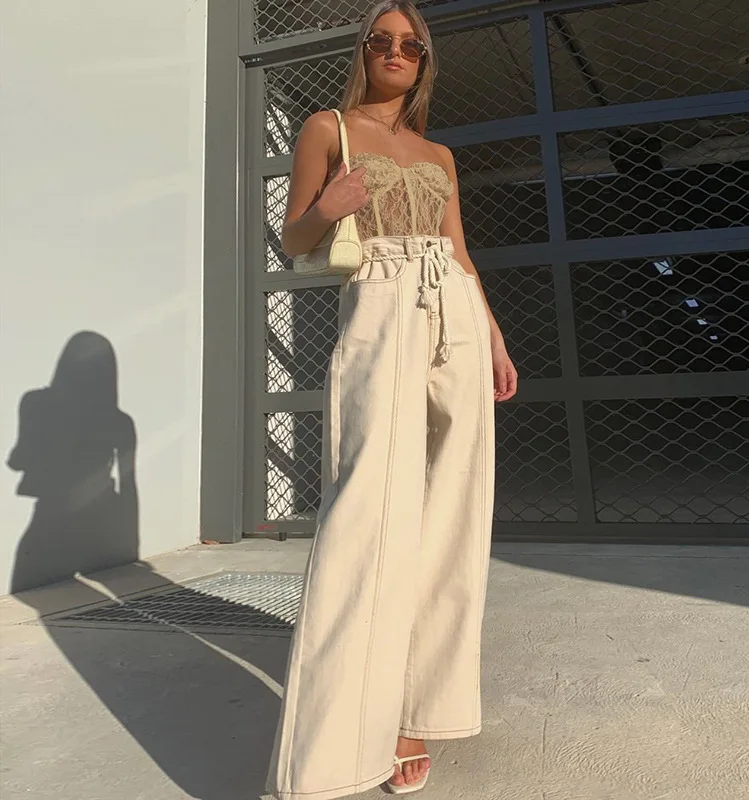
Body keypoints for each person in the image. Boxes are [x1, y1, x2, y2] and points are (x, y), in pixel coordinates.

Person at [268, 2, 517, 798]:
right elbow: (293, 239)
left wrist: (494, 336)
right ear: (364, 51)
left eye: (410, 43)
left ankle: (416, 710)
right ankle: (336, 742)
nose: (396, 51)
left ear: (424, 59)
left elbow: (459, 253)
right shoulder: (327, 128)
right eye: (382, 40)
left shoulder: (438, 153)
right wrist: (329, 208)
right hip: (380, 303)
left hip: (455, 311)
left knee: (452, 510)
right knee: (367, 512)